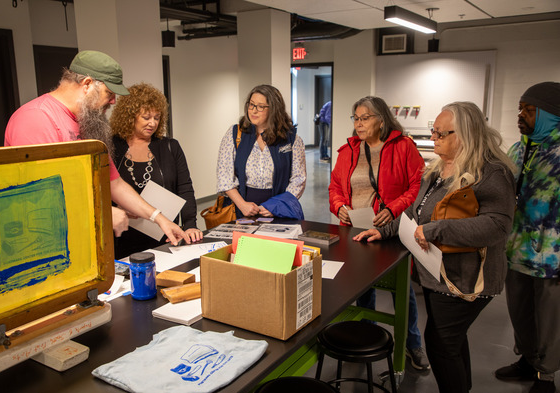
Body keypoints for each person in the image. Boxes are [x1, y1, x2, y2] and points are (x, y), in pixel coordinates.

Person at [354, 101, 516, 393]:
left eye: (442, 134)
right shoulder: (438, 170)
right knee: (450, 341)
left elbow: (498, 226)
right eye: (434, 132)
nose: (434, 139)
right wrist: (384, 230)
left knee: (442, 344)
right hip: (437, 274)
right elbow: (416, 214)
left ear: (465, 135)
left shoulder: (492, 173)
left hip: (464, 280)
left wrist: (436, 229)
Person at [4, 50, 190, 246]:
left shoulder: (88, 124)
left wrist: (159, 218)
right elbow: (38, 196)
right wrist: (103, 212)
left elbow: (114, 184)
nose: (113, 101)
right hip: (43, 243)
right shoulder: (36, 118)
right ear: (87, 84)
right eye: (109, 93)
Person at [329, 96, 428, 370]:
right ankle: (365, 333)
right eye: (356, 118)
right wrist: (339, 207)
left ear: (381, 119)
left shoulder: (403, 147)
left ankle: (412, 344)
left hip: (392, 232)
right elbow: (335, 186)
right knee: (361, 287)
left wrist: (394, 209)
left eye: (365, 118)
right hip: (356, 229)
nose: (359, 124)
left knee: (402, 292)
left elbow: (417, 187)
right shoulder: (348, 150)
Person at [495, 82, 560, 393]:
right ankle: (527, 360)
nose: (520, 115)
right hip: (517, 248)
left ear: (551, 115)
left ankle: (545, 375)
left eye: (529, 110)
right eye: (520, 108)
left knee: (550, 320)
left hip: (552, 258)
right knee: (520, 311)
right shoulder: (519, 148)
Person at [110, 82, 202, 259]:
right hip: (123, 237)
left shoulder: (170, 146)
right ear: (130, 116)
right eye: (146, 117)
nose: (152, 123)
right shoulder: (112, 147)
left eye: (157, 117)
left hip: (164, 234)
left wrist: (190, 224)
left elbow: (185, 187)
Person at [216, 84, 306, 219]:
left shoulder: (292, 140)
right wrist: (242, 205)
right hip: (241, 210)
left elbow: (298, 179)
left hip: (278, 211)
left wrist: (275, 207)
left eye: (260, 106)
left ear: (274, 109)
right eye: (251, 105)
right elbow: (224, 177)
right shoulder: (235, 134)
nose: (253, 110)